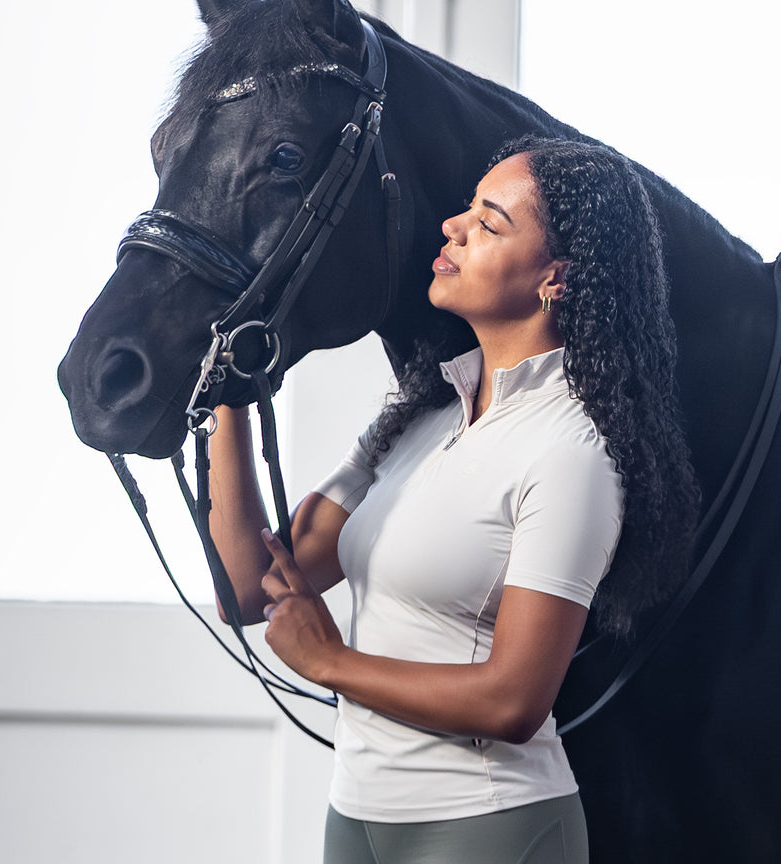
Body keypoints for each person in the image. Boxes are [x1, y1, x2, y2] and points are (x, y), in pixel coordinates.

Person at [207, 136, 700, 863]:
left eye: (490, 222)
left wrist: (330, 662)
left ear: (555, 278)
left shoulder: (572, 452)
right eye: (466, 209)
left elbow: (512, 700)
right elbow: (249, 589)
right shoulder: (419, 420)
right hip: (355, 817)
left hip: (488, 825)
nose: (453, 227)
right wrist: (231, 404)